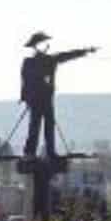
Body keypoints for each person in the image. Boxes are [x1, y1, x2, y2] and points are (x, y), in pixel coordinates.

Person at [19, 31, 96, 160]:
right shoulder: (30, 62)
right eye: (43, 44)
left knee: (48, 125)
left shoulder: (49, 60)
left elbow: (67, 55)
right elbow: (25, 80)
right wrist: (25, 97)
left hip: (45, 98)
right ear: (36, 46)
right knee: (35, 126)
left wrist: (84, 51)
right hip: (36, 99)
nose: (45, 46)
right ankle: (31, 152)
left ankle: (49, 152)